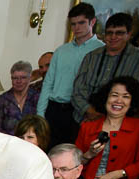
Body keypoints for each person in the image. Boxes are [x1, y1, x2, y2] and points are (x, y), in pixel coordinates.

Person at [37, 2, 104, 148]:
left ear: (92, 22)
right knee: (47, 151)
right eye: (73, 24)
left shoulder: (101, 50)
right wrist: (40, 114)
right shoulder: (61, 51)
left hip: (79, 111)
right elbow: (48, 83)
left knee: (71, 153)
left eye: (81, 23)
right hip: (54, 109)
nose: (77, 28)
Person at [71, 12, 139, 126]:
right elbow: (77, 90)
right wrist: (89, 111)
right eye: (109, 33)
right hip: (84, 119)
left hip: (116, 124)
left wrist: (107, 117)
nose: (113, 37)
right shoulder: (92, 56)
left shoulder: (137, 58)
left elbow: (134, 93)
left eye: (119, 33)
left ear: (129, 34)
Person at [0, 61, 40, 134]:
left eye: (23, 77)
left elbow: (41, 125)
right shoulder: (2, 99)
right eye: (15, 78)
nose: (19, 81)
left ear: (30, 78)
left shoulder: (37, 97)